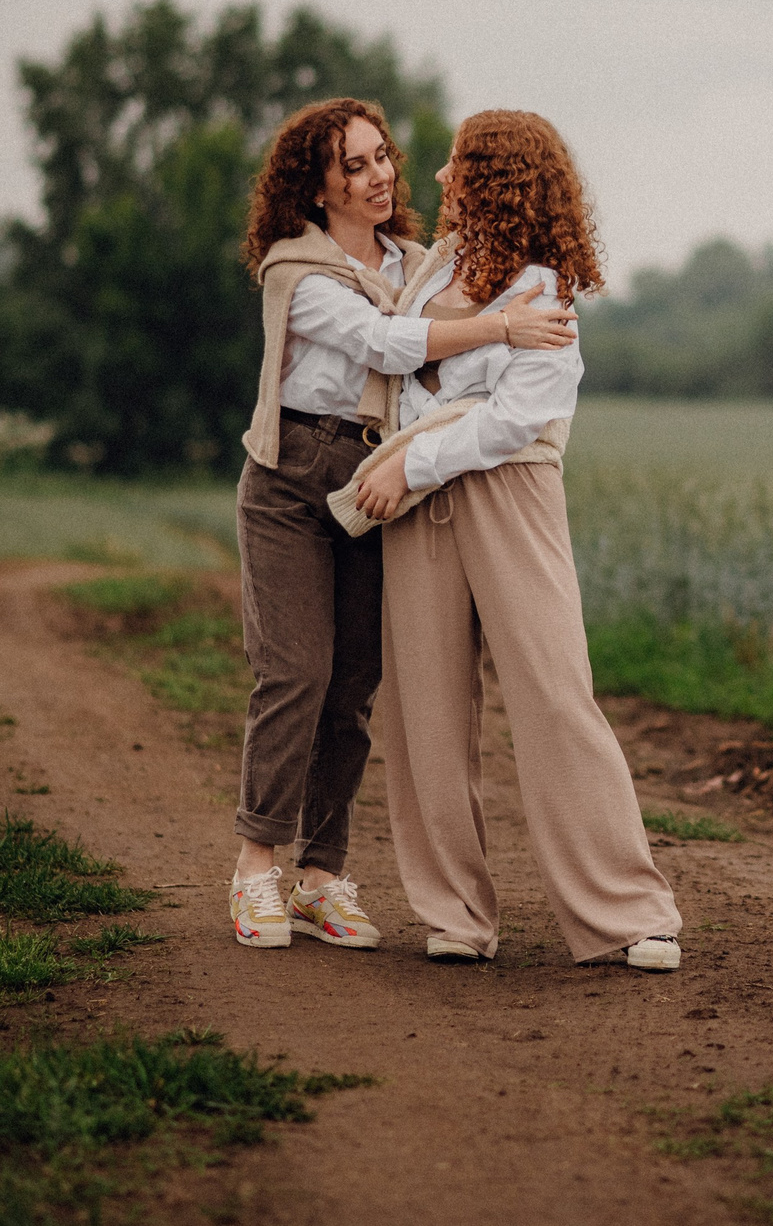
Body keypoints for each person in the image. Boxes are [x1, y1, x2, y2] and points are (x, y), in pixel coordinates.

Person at [227, 97, 575, 951]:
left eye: (383, 156)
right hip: (291, 479)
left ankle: (320, 875)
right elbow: (386, 344)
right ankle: (253, 868)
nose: (380, 175)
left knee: (354, 682)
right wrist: (502, 325)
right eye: (355, 165)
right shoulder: (294, 267)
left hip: (379, 477)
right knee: (296, 673)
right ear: (316, 185)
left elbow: (453, 353)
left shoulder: (419, 263)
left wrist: (529, 318)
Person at [342, 109, 683, 972]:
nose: (444, 176)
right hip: (415, 500)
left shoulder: (543, 287)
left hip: (504, 496)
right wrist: (411, 458)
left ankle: (626, 914)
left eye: (460, 164)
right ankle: (453, 913)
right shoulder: (435, 269)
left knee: (554, 691)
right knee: (425, 708)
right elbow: (400, 365)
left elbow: (516, 418)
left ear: (496, 179)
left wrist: (411, 466)